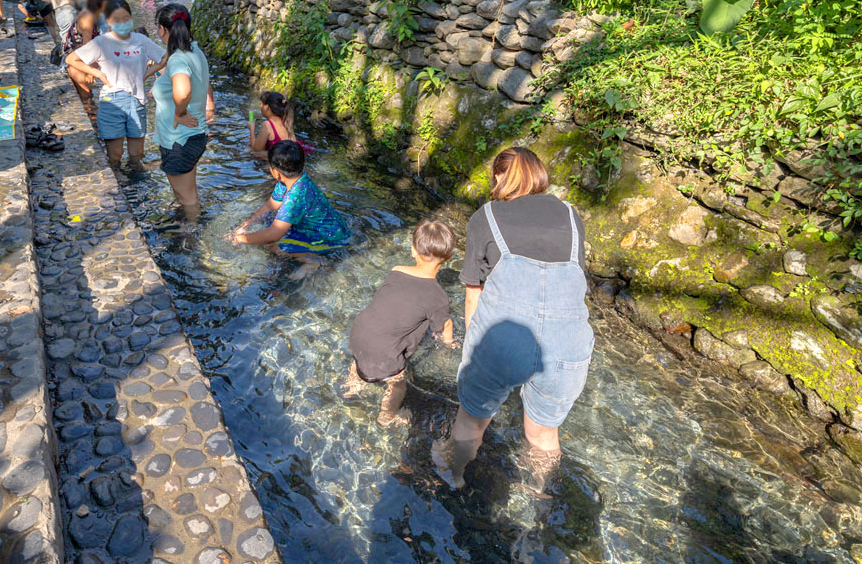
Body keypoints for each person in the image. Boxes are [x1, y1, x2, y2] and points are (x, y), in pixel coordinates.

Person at [432, 147, 593, 493]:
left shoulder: (487, 216)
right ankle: (538, 495)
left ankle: (453, 478)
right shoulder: (570, 215)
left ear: (502, 176)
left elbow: (473, 291)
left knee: (472, 421)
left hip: (504, 341)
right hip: (569, 344)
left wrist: (471, 350)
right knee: (544, 434)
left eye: (496, 177)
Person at [344, 220, 458, 426]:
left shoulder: (396, 270)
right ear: (448, 258)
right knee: (397, 384)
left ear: (413, 251)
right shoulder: (438, 296)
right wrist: (448, 345)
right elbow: (445, 326)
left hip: (359, 333)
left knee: (362, 356)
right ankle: (387, 416)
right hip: (385, 353)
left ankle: (353, 386)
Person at [66, 0, 168, 171]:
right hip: (111, 102)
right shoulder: (101, 42)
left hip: (137, 101)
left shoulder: (140, 40)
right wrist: (97, 73)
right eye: (116, 20)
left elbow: (164, 57)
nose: (122, 23)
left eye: (126, 18)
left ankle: (136, 189)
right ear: (108, 21)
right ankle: (119, 187)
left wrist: (145, 75)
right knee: (115, 156)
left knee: (136, 156)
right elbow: (71, 59)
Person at [231, 140, 351, 270]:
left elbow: (272, 235)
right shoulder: (290, 181)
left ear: (275, 172)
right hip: (327, 227)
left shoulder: (295, 197)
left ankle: (315, 261)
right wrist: (246, 224)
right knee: (269, 221)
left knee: (275, 246)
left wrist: (239, 239)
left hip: (330, 239)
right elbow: (270, 206)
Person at [150, 4, 214, 212]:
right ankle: (192, 224)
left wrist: (179, 113)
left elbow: (183, 91)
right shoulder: (195, 51)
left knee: (185, 197)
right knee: (189, 192)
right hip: (195, 135)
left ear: (162, 29)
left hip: (179, 139)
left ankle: (191, 235)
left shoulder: (178, 59)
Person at [247, 90, 307, 155]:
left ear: (266, 107)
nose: (260, 106)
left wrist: (252, 129)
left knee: (251, 151)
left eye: (261, 103)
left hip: (278, 159)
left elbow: (256, 149)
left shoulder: (267, 125)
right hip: (292, 156)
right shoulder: (287, 121)